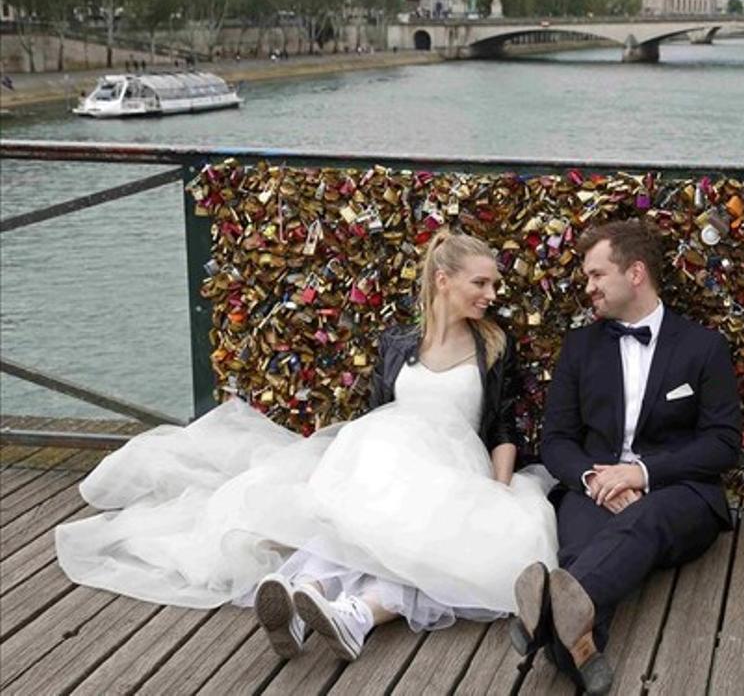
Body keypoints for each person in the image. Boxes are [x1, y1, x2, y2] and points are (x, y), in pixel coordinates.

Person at [56, 230, 558, 662]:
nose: (492, 293)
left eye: (493, 283)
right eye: (481, 282)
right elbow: (379, 416)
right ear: (443, 280)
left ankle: (351, 613)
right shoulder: (398, 344)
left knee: (435, 541)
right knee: (359, 515)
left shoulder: (492, 345)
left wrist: (497, 488)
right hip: (388, 459)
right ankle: (310, 598)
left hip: (456, 472)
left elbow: (503, 428)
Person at [510, 220, 741, 694]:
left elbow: (723, 443)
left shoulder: (704, 347)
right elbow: (556, 440)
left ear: (635, 273)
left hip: (679, 494)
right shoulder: (579, 348)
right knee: (580, 553)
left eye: (597, 275)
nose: (588, 287)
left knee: (643, 520)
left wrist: (639, 474)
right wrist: (597, 478)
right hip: (591, 488)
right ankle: (579, 651)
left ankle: (544, 618)